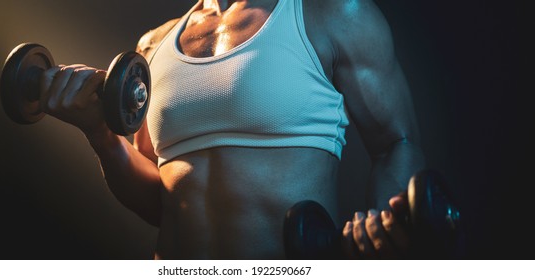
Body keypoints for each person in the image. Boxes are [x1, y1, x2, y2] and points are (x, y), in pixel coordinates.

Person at [38, 0, 425, 259]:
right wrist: (101, 135)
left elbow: (397, 142)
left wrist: (382, 233)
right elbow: (159, 200)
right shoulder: (153, 45)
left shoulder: (333, 15)